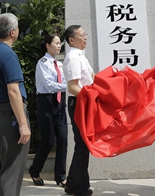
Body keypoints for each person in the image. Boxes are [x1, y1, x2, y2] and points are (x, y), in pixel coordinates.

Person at [0, 13, 31, 196]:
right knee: (11, 169)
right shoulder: (8, 55)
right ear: (13, 32)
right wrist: (23, 124)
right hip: (10, 114)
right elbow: (13, 90)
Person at [29, 34, 68, 187]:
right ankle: (34, 170)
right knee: (48, 140)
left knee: (63, 139)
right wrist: (70, 87)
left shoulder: (59, 64)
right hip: (46, 102)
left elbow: (63, 81)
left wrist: (67, 86)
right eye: (56, 43)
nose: (59, 46)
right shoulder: (42, 63)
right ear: (47, 45)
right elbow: (50, 85)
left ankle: (61, 176)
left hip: (59, 101)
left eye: (60, 43)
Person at [63, 25, 95, 196]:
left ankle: (71, 183)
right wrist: (92, 97)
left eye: (85, 34)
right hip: (79, 103)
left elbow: (91, 77)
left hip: (84, 102)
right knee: (83, 146)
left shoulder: (81, 55)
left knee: (82, 145)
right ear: (71, 40)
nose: (85, 38)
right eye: (81, 35)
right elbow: (73, 87)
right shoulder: (73, 57)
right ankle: (80, 188)